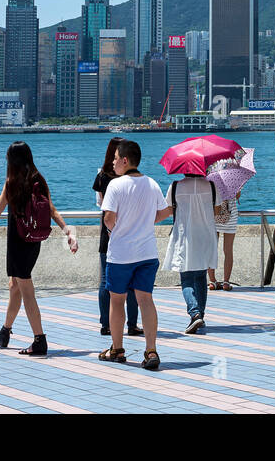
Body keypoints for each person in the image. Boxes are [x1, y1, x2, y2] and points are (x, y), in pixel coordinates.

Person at [0, 141, 78, 356]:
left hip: (17, 242)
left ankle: (39, 340)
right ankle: (5, 331)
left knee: (26, 290)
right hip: (33, 240)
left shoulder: (12, 182)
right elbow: (52, 209)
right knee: (15, 286)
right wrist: (68, 232)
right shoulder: (39, 180)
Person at [99, 140, 173, 370]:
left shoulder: (115, 185)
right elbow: (162, 213)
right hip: (147, 252)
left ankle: (117, 349)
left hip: (121, 254)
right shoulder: (151, 184)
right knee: (146, 300)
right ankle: (151, 350)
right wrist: (141, 223)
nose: (112, 162)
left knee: (117, 300)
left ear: (125, 160)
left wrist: (115, 230)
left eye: (115, 158)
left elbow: (108, 218)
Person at [93, 137, 140, 336]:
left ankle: (106, 323)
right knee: (132, 283)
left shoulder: (102, 176)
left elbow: (101, 205)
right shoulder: (130, 179)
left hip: (108, 233)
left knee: (106, 281)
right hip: (129, 232)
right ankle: (131, 324)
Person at [168, 173, 219, 333]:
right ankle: (200, 315)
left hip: (184, 235)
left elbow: (169, 209)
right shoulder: (211, 185)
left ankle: (195, 313)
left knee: (187, 278)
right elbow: (216, 210)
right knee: (200, 277)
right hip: (205, 235)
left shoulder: (176, 186)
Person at [207, 194, 237, 291]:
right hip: (230, 215)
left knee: (211, 250)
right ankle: (226, 282)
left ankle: (212, 282)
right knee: (228, 250)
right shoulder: (233, 180)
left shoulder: (210, 181)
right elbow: (237, 195)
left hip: (213, 214)